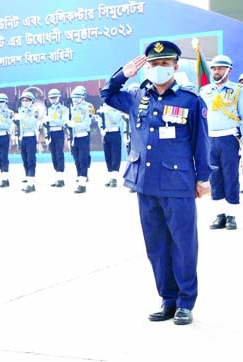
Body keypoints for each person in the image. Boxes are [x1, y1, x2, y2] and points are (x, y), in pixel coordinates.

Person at [100, 40, 210, 326]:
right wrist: (123, 74)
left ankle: (186, 302)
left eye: (164, 64)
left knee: (184, 245)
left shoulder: (189, 100)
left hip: (178, 184)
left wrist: (204, 179)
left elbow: (201, 143)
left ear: (175, 66)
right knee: (157, 247)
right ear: (146, 68)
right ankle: (168, 300)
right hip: (145, 184)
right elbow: (107, 94)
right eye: (153, 64)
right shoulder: (136, 95)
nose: (158, 69)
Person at [199, 55, 243, 230]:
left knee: (231, 177)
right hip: (210, 139)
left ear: (229, 70)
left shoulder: (238, 90)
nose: (216, 72)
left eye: (220, 68)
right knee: (214, 177)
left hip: (229, 139)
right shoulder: (205, 91)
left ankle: (232, 215)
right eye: (214, 68)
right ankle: (220, 214)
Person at [67, 86, 95, 193]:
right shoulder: (71, 107)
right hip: (74, 137)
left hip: (83, 136)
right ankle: (81, 176)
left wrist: (74, 125)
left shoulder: (87, 107)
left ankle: (82, 183)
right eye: (73, 97)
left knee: (83, 159)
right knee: (77, 159)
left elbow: (87, 123)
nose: (75, 99)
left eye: (77, 97)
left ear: (83, 97)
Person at [15, 91, 41, 192]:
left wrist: (21, 119)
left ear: (32, 101)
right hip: (22, 138)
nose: (25, 102)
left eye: (27, 100)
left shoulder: (35, 111)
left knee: (31, 160)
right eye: (23, 100)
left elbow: (31, 124)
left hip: (31, 137)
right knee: (25, 160)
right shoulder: (20, 111)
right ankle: (29, 180)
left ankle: (31, 183)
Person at [45, 89, 69, 187]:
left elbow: (63, 122)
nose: (53, 100)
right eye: (51, 98)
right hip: (51, 132)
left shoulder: (64, 109)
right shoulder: (48, 110)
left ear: (59, 97)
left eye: (55, 97)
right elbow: (46, 123)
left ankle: (61, 178)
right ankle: (57, 176)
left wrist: (51, 120)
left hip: (59, 132)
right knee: (53, 155)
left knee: (59, 153)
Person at [99, 103, 127, 188]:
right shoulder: (103, 107)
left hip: (115, 132)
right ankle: (110, 176)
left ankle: (114, 178)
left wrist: (107, 112)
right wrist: (101, 128)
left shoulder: (116, 107)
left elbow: (115, 119)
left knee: (115, 155)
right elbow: (100, 119)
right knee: (108, 156)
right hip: (106, 133)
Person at [0, 93, 14, 187]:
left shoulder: (9, 113)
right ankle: (3, 177)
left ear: (6, 102)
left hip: (4, 135)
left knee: (4, 157)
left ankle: (5, 179)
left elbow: (7, 125)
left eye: (2, 102)